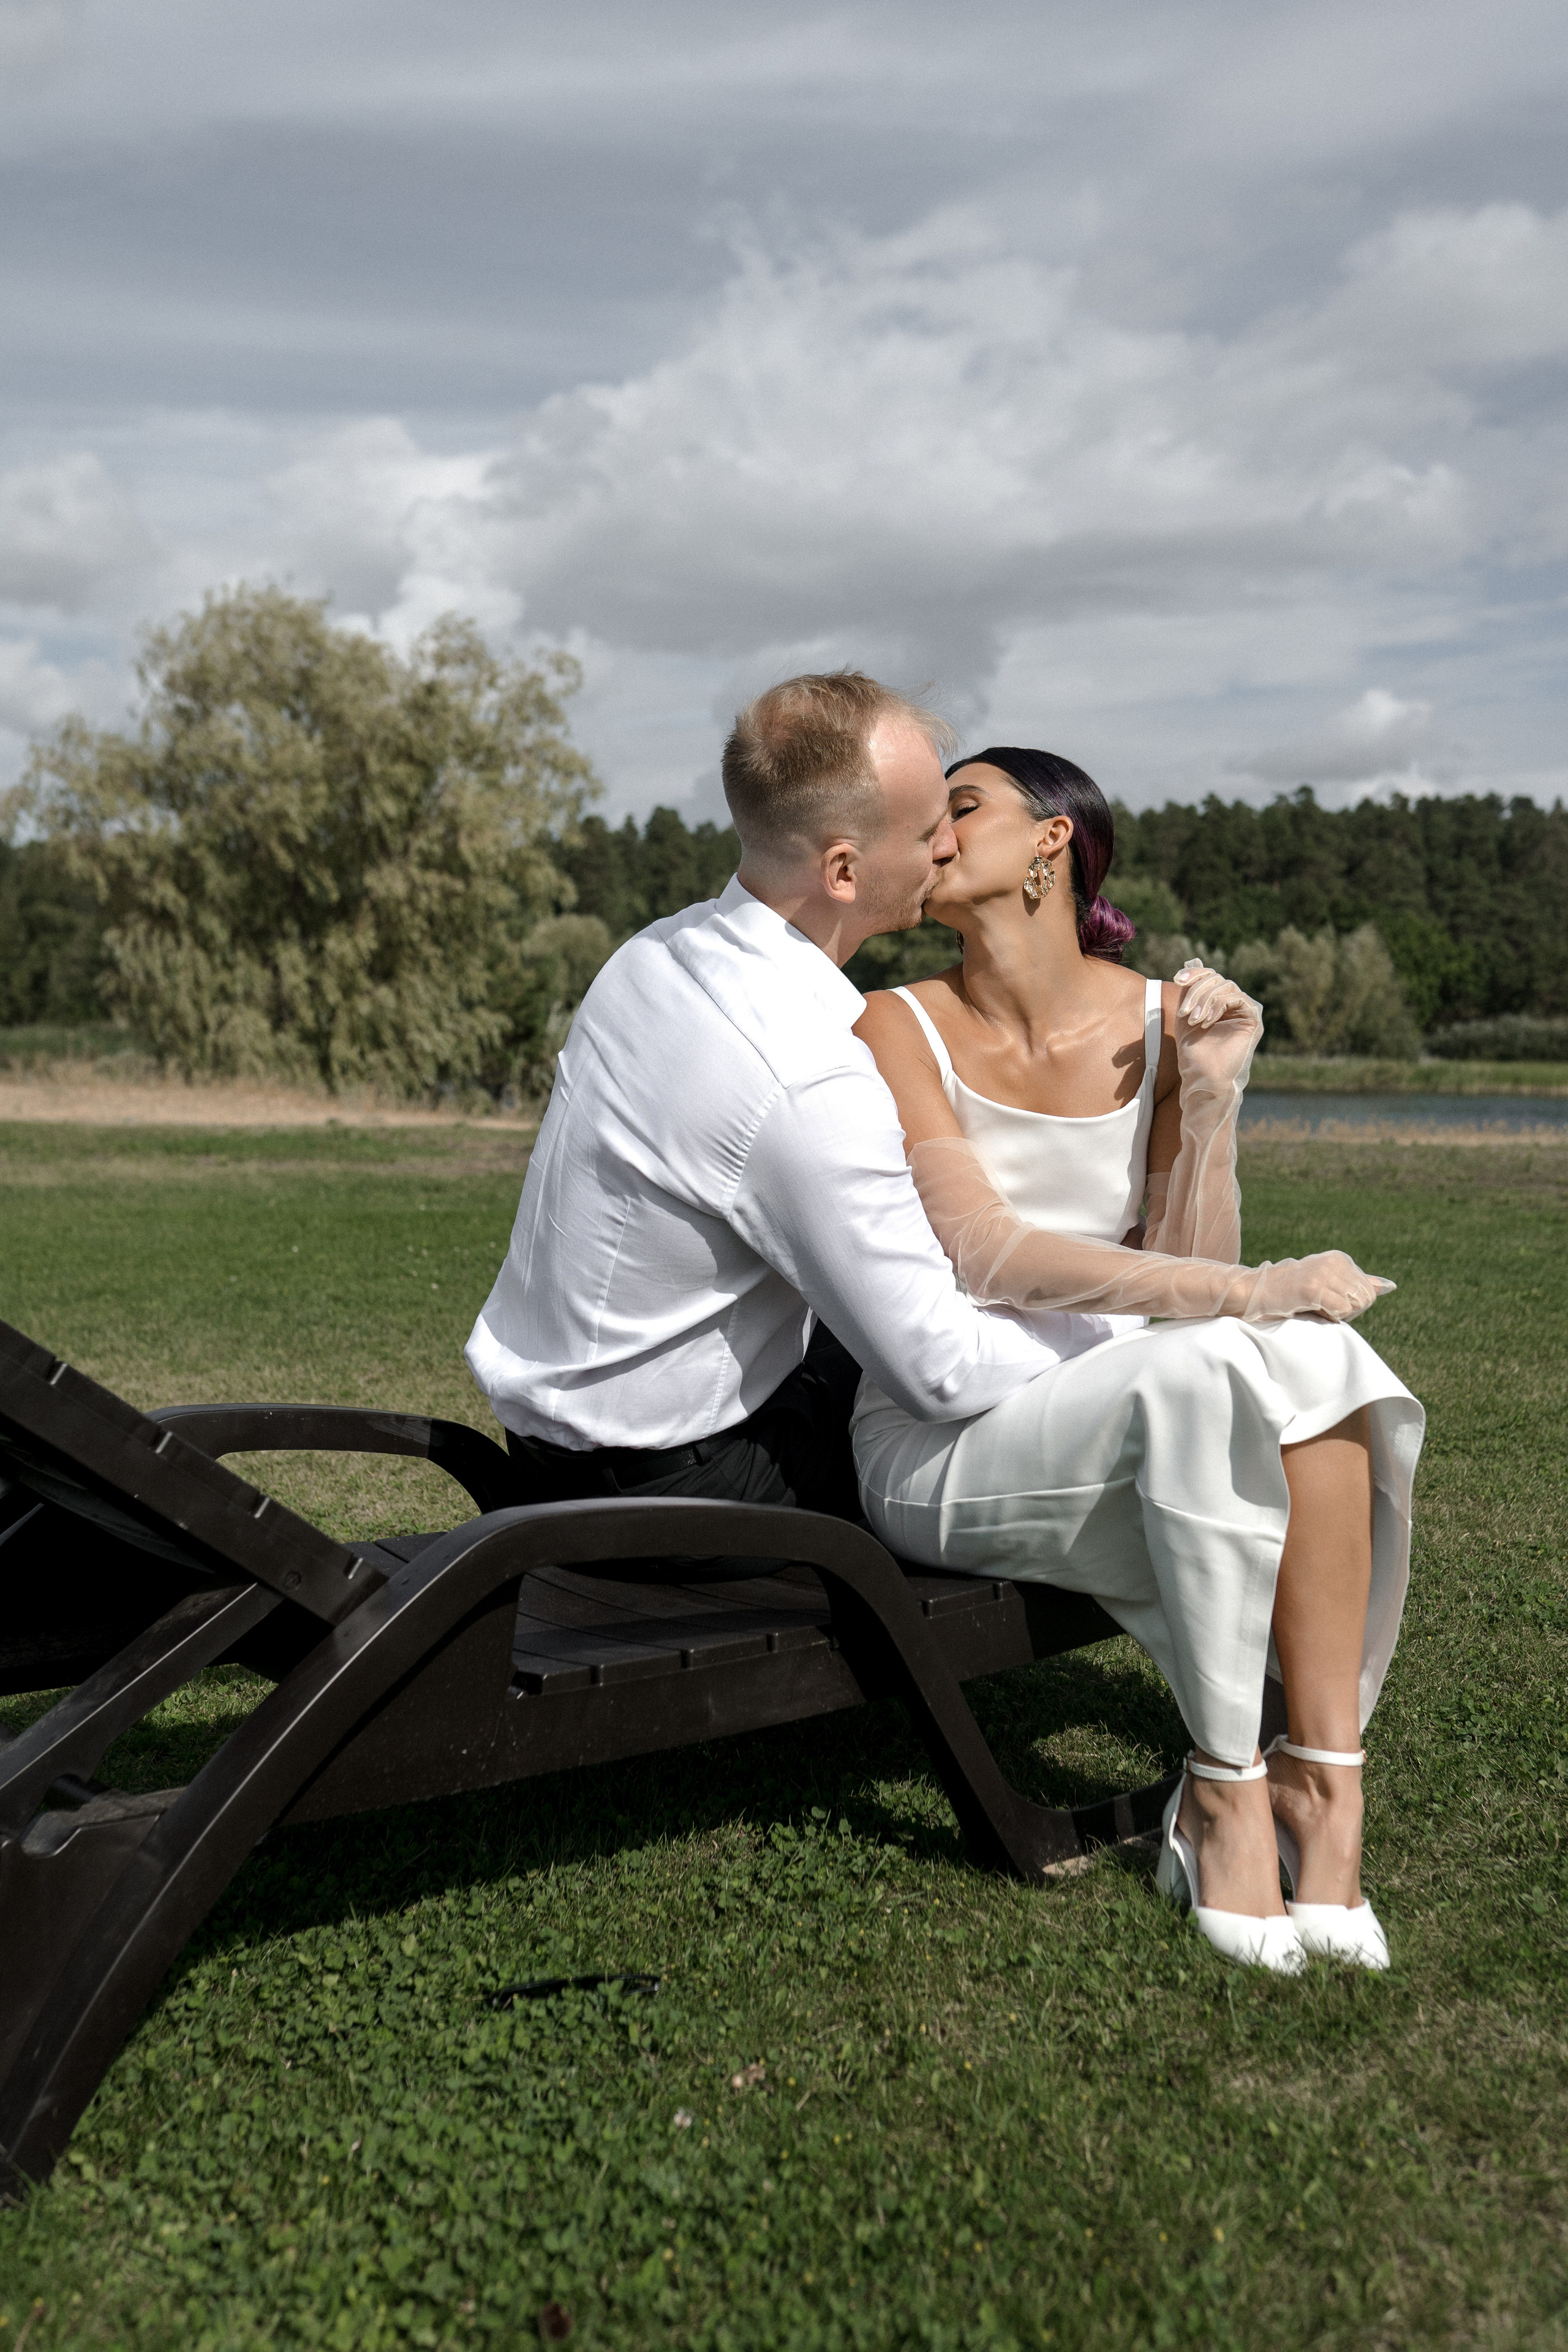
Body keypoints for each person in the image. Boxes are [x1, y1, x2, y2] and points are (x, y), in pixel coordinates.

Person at [851, 747, 1425, 1975]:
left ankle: (1324, 1802)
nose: (930, 833)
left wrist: (1211, 1103)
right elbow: (982, 1253)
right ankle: (1221, 1797)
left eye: (960, 807)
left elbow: (1183, 1266)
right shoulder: (893, 1022)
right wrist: (1248, 1289)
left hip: (1127, 1397)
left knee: (1315, 1357)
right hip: (942, 1430)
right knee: (1217, 1362)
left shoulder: (1164, 1017)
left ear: (1051, 843)